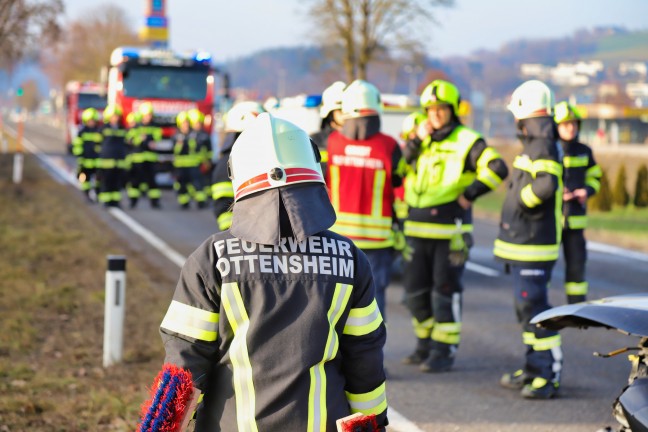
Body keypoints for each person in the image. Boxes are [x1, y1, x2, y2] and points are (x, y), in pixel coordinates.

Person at [158, 112, 388, 431]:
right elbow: (365, 359)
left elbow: (184, 363)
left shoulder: (212, 258)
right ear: (311, 170)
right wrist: (371, 426)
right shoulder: (349, 258)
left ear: (237, 177)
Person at [400, 80, 508, 373]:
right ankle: (424, 345)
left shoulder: (467, 140)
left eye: (442, 109)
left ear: (453, 110)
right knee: (414, 294)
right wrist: (416, 141)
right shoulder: (420, 139)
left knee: (444, 293)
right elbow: (398, 171)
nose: (435, 114)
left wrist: (469, 194)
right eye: (430, 109)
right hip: (416, 230)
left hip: (451, 233)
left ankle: (443, 350)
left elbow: (498, 169)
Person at [495, 80, 564, 399]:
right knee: (525, 309)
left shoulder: (543, 145)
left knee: (534, 308)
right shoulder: (537, 141)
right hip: (524, 245)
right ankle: (533, 366)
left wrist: (522, 200)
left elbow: (547, 184)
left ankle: (546, 375)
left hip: (535, 246)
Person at [325, 79, 403, 322]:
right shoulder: (389, 146)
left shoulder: (331, 144)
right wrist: (402, 226)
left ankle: (337, 358)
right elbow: (400, 190)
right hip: (377, 241)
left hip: (338, 240)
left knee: (335, 303)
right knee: (373, 304)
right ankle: (374, 358)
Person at [554, 101, 602, 304]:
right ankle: (540, 306)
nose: (571, 128)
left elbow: (595, 176)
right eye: (566, 124)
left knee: (577, 266)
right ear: (556, 127)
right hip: (552, 220)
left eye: (574, 124)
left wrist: (586, 190)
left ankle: (577, 308)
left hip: (576, 220)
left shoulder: (584, 150)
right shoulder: (549, 150)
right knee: (544, 265)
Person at [211, 101, 264, 230]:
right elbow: (223, 198)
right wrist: (232, 233)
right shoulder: (231, 159)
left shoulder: (230, 158)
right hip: (249, 234)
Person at [127, 102, 162, 209]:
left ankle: (155, 202)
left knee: (152, 182)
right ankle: (133, 202)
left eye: (150, 115)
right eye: (147, 115)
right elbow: (130, 139)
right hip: (137, 159)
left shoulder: (155, 126)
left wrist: (144, 140)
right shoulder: (136, 126)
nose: (149, 117)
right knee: (135, 182)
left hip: (150, 159)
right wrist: (143, 140)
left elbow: (156, 139)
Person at [171, 111, 208, 209]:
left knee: (197, 184)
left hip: (192, 165)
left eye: (187, 123)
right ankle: (184, 203)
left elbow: (196, 148)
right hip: (180, 166)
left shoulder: (194, 135)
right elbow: (175, 150)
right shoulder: (176, 136)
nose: (185, 125)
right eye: (183, 123)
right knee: (181, 186)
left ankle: (201, 202)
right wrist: (180, 143)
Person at [311, 80, 347, 173]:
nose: (346, 115)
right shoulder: (315, 141)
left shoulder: (357, 140)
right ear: (330, 113)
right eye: (341, 110)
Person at [97, 104, 128, 208]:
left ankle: (115, 201)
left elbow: (126, 143)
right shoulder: (103, 128)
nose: (116, 118)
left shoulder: (122, 129)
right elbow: (98, 143)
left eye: (117, 116)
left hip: (119, 161)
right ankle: (106, 201)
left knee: (117, 183)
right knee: (107, 182)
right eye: (113, 116)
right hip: (107, 161)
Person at [72, 107, 103, 202]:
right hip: (85, 161)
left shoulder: (99, 131)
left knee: (98, 180)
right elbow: (77, 145)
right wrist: (80, 157)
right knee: (86, 180)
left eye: (93, 120)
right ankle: (87, 196)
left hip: (97, 161)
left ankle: (98, 194)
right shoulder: (82, 132)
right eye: (90, 121)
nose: (92, 122)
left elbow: (102, 145)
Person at [187, 108, 214, 199]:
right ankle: (196, 196)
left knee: (204, 181)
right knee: (193, 182)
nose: (197, 125)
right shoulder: (188, 135)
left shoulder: (204, 135)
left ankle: (205, 198)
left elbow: (209, 150)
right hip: (191, 163)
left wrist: (208, 161)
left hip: (202, 163)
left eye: (198, 123)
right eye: (195, 123)